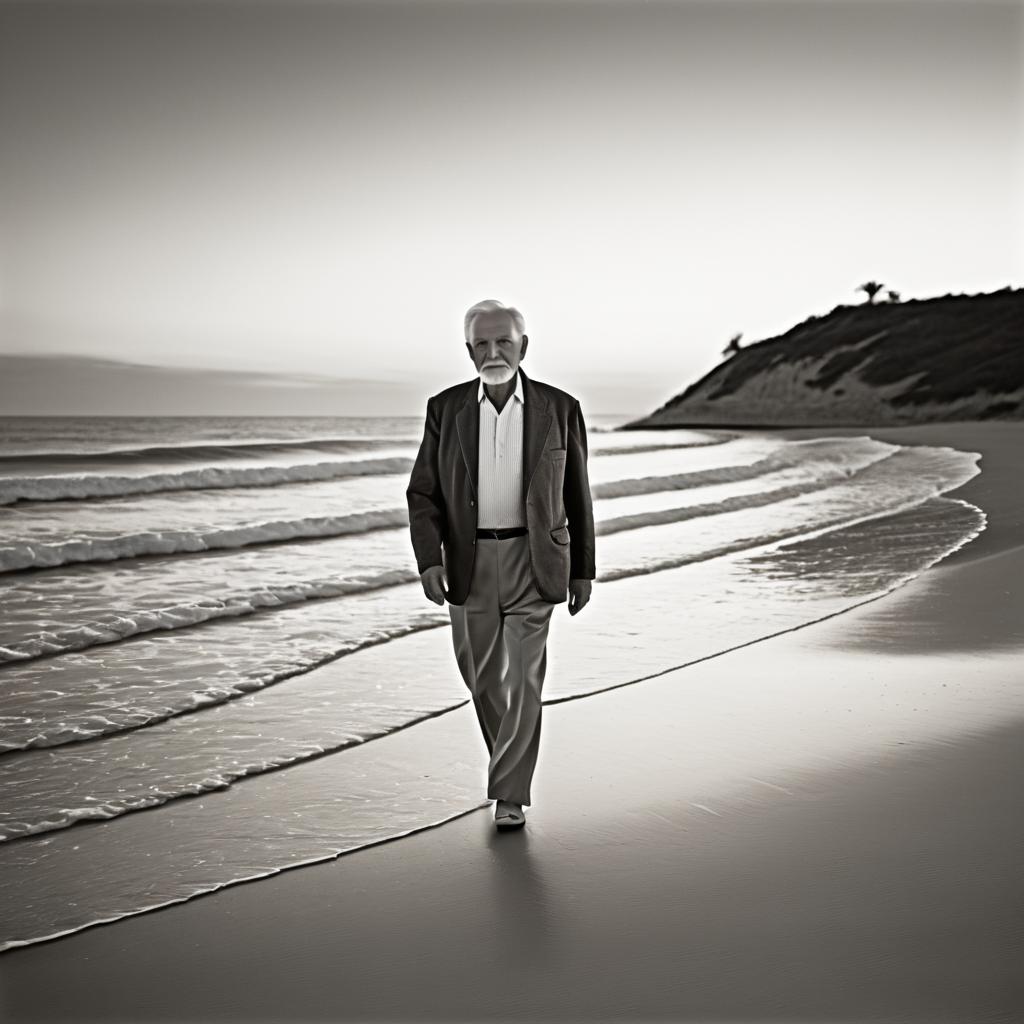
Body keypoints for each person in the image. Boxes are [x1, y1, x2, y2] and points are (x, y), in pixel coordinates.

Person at [406, 299, 596, 831]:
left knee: (526, 680)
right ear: (469, 351)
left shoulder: (560, 408)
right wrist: (428, 560)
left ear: (524, 346)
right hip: (468, 561)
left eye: (504, 341)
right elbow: (423, 493)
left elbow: (576, 493)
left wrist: (583, 568)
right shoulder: (445, 410)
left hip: (535, 558)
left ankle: (509, 793)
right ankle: (507, 769)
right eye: (482, 344)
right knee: (482, 679)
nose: (494, 352)